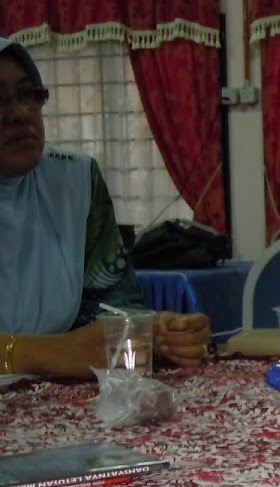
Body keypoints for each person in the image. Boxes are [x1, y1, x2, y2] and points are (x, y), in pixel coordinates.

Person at [0, 36, 212, 384]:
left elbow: (110, 304)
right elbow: (71, 350)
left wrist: (155, 332)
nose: (20, 114)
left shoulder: (73, 180)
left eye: (28, 95)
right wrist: (49, 354)